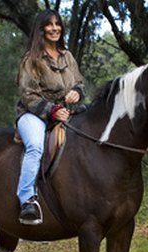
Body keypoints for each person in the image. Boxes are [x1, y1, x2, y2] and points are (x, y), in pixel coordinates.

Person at [15, 9, 86, 225]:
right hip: (33, 114)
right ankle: (26, 200)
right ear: (41, 29)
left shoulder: (68, 56)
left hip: (65, 113)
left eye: (57, 24)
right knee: (36, 146)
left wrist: (78, 92)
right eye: (49, 24)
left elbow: (79, 82)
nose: (55, 28)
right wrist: (53, 111)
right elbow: (29, 95)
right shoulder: (32, 59)